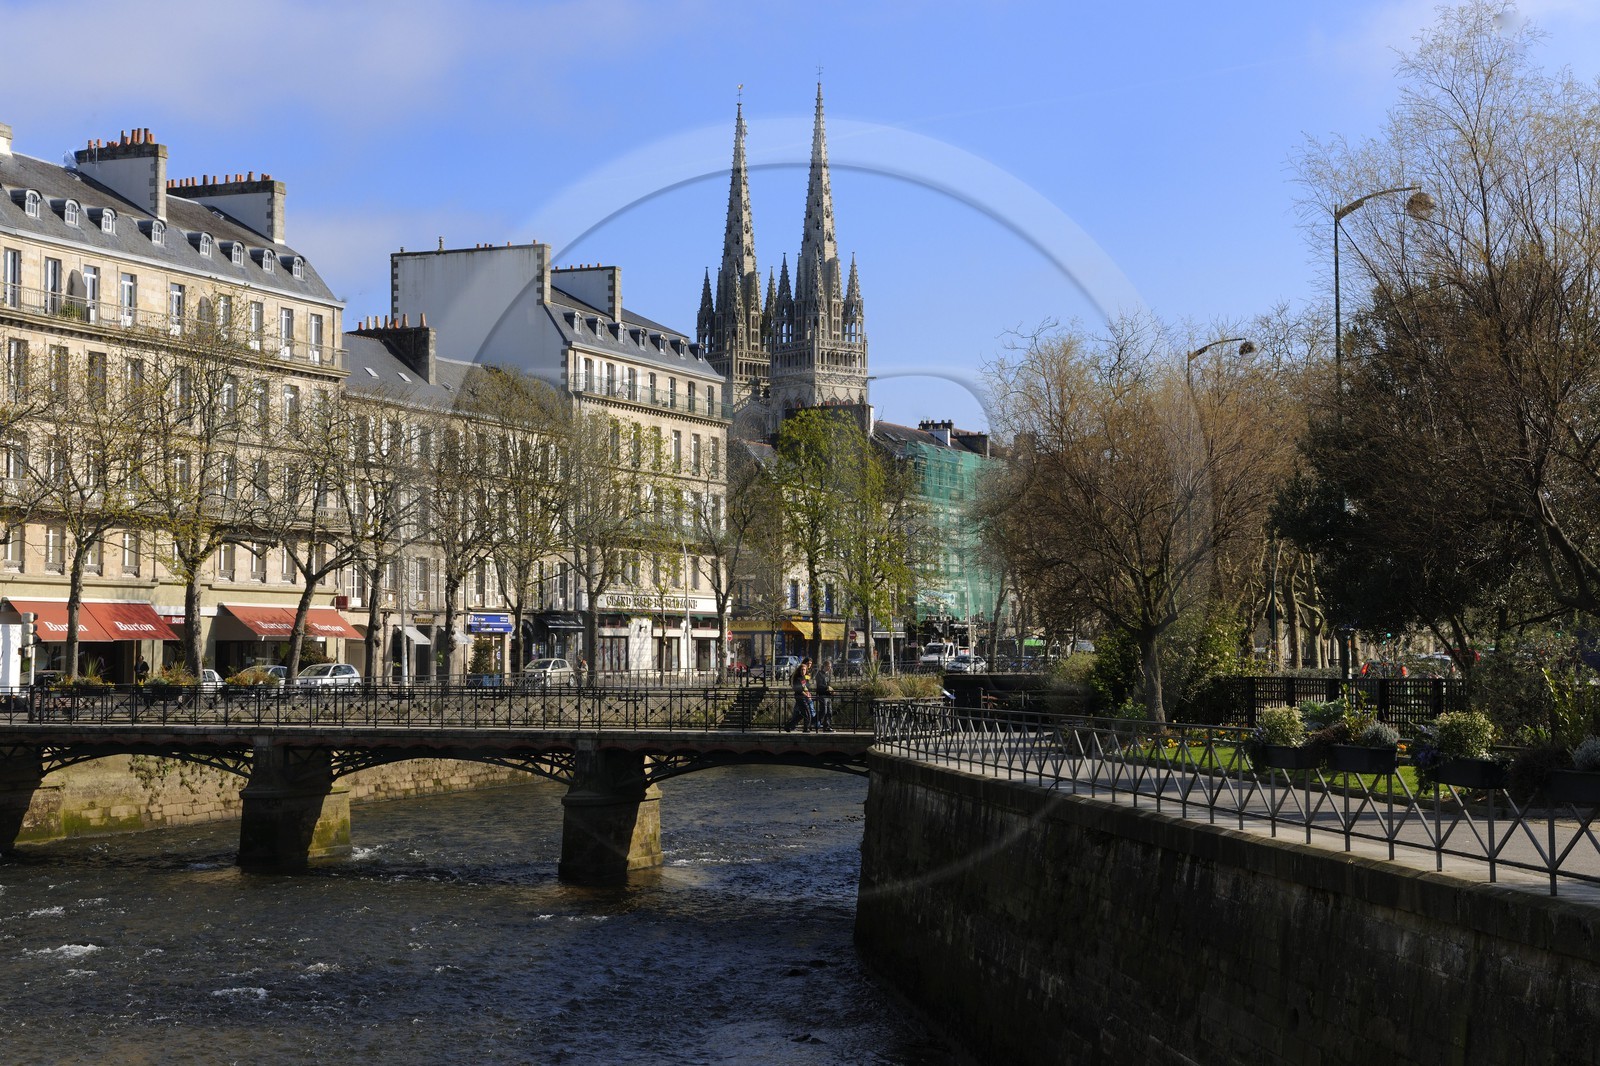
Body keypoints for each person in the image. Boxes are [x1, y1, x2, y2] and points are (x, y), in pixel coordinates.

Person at [786, 656, 815, 732]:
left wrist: (808, 693)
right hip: (800, 697)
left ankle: (789, 726)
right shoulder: (798, 677)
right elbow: (798, 689)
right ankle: (806, 728)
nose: (809, 665)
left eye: (810, 664)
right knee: (806, 713)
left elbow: (806, 685)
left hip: (805, 696)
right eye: (808, 663)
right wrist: (806, 694)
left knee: (802, 713)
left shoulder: (805, 676)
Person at [815, 660, 834, 731]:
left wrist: (831, 691)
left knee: (829, 711)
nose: (829, 668)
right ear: (825, 666)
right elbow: (819, 685)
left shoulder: (828, 674)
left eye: (830, 667)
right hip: (822, 694)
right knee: (824, 711)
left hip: (828, 695)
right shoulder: (819, 674)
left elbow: (828, 684)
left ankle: (827, 726)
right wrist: (827, 688)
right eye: (828, 666)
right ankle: (815, 722)